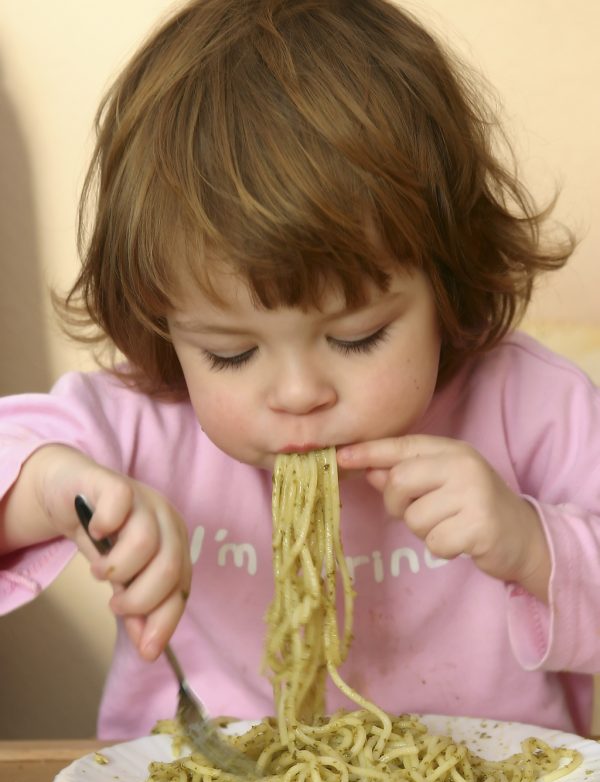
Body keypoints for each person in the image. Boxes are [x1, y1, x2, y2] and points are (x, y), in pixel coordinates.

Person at [1, 0, 598, 741]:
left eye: (357, 337)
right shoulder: (140, 421)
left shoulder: (534, 407)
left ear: (448, 282)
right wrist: (53, 489)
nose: (297, 394)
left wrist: (532, 544)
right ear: (163, 324)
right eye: (230, 353)